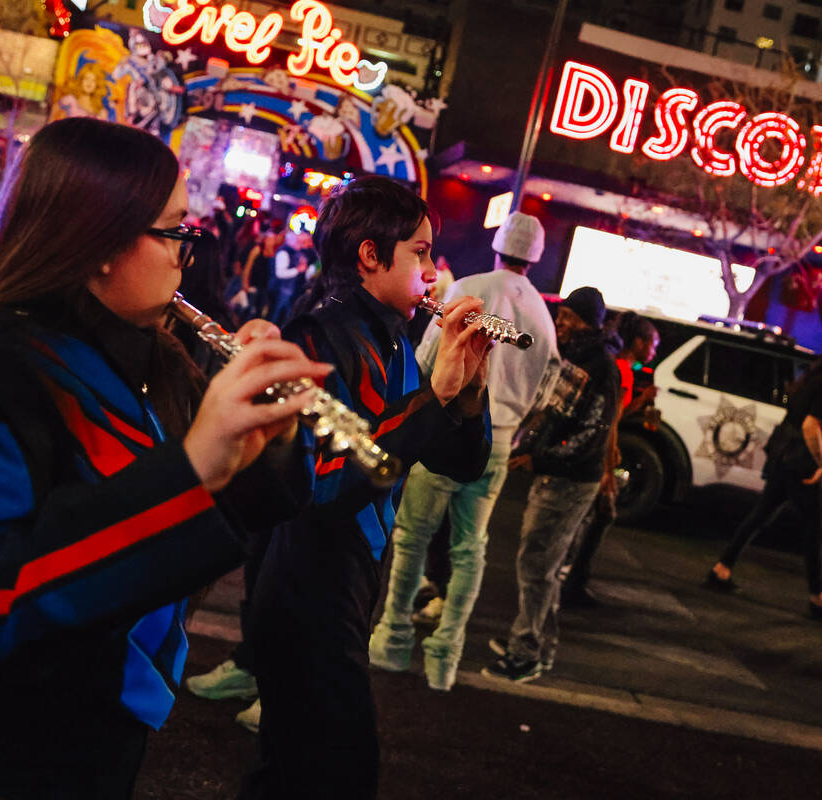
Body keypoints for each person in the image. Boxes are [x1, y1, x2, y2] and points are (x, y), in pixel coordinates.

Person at [0, 117, 331, 799]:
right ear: (98, 243)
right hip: (13, 742)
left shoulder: (153, 355)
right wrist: (190, 464)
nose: (186, 253)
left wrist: (271, 437)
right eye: (172, 232)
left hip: (108, 724)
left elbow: (230, 516)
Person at [241, 176, 493, 799]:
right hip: (305, 587)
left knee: (298, 776)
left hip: (348, 584)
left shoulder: (394, 335)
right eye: (421, 252)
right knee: (336, 773)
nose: (432, 271)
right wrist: (432, 396)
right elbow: (325, 487)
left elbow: (459, 463)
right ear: (370, 257)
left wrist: (471, 387)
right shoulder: (318, 336)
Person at [368, 211, 559, 691]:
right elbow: (546, 387)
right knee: (470, 548)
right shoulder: (542, 313)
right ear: (535, 257)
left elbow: (433, 358)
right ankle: (445, 656)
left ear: (499, 244)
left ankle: (392, 640)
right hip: (503, 435)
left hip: (450, 422)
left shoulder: (471, 286)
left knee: (412, 536)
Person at [484, 286, 619, 683]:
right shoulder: (575, 356)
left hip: (569, 482)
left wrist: (539, 456)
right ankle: (538, 646)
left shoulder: (601, 366)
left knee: (538, 565)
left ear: (588, 323)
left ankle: (524, 653)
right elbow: (556, 413)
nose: (560, 322)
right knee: (545, 565)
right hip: (556, 476)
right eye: (561, 316)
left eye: (569, 318)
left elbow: (592, 433)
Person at [708, 356, 822, 619]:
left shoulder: (812, 377)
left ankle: (722, 567)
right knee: (814, 527)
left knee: (763, 512)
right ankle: (817, 597)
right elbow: (810, 425)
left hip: (783, 452)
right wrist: (820, 462)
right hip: (800, 460)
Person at [561, 310, 659, 608]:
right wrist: (607, 470)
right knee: (594, 517)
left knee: (590, 517)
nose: (654, 351)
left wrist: (640, 405)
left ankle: (571, 578)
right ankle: (571, 581)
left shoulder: (616, 365)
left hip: (595, 453)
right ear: (639, 343)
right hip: (599, 455)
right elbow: (611, 420)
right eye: (653, 344)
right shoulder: (623, 371)